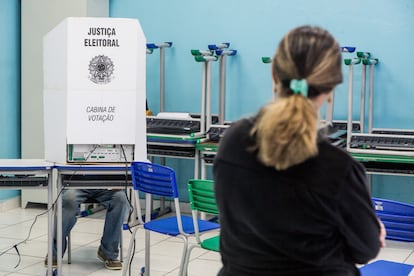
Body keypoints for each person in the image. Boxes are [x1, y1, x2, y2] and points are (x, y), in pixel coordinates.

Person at [213, 25, 386, 276]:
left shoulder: (234, 142)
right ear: (330, 89)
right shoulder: (338, 168)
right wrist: (372, 230)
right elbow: (365, 250)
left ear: (274, 74)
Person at [45, 189, 130, 270]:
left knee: (120, 199)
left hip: (106, 187)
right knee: (69, 198)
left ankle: (108, 252)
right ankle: (55, 252)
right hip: (77, 184)